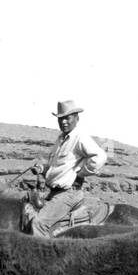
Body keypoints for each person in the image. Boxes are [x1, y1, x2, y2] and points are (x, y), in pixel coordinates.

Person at [21, 99, 108, 235]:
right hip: (54, 192)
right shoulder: (60, 139)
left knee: (39, 223)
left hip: (68, 194)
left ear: (76, 118)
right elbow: (56, 166)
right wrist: (42, 169)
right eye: (60, 118)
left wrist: (80, 173)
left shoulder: (80, 137)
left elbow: (100, 157)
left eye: (67, 118)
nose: (63, 122)